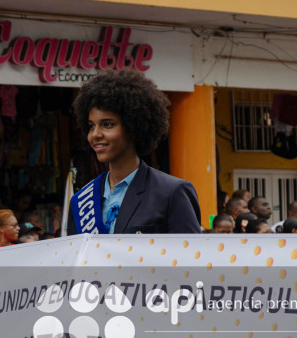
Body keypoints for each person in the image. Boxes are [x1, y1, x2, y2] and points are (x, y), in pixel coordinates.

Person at [67, 69, 201, 234]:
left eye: (107, 124)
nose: (95, 135)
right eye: (91, 126)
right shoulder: (80, 201)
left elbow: (188, 257)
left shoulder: (171, 193)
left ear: (133, 128)